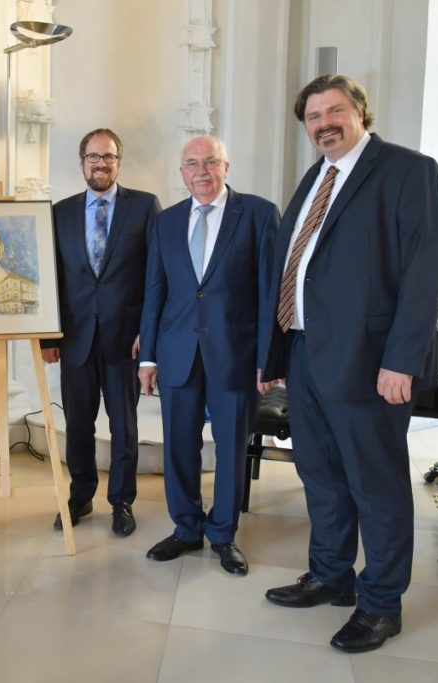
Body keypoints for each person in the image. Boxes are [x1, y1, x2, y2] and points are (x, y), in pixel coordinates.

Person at [260, 74, 438, 652]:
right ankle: (331, 574)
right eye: (313, 118)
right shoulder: (316, 177)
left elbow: (425, 270)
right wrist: (278, 352)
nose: (323, 124)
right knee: (320, 474)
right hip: (308, 353)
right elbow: (296, 267)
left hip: (371, 363)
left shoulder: (407, 170)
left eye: (334, 111)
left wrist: (401, 360)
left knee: (377, 486)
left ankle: (381, 604)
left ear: (360, 111)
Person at [138, 136, 278, 575]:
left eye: (210, 162)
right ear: (181, 172)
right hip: (178, 351)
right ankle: (185, 528)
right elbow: (154, 292)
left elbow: (269, 292)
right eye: (192, 164)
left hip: (235, 354)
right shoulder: (167, 221)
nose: (201, 171)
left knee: (232, 447)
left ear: (226, 166)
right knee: (179, 445)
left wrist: (268, 358)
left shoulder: (257, 214)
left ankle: (223, 533)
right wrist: (148, 357)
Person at [41, 128, 160, 537]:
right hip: (75, 339)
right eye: (93, 157)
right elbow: (52, 278)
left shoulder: (144, 208)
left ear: (118, 163)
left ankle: (121, 501)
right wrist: (48, 338)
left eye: (108, 157)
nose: (101, 164)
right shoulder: (61, 212)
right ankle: (80, 493)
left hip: (125, 340)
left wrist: (150, 334)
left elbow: (155, 277)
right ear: (81, 163)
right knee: (78, 423)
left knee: (124, 425)